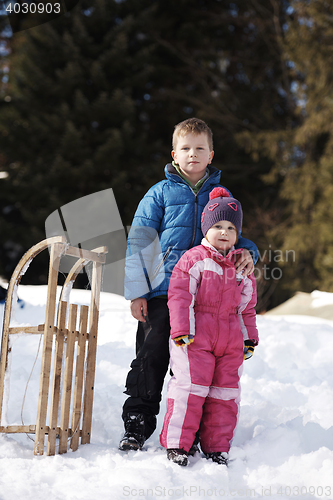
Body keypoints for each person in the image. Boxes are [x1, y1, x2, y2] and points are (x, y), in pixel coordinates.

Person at [119, 117, 258, 452]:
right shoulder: (159, 193)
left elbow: (233, 236)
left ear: (211, 155)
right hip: (163, 292)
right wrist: (138, 290)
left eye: (200, 148)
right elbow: (140, 240)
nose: (192, 154)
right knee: (151, 355)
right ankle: (138, 421)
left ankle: (191, 426)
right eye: (185, 148)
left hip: (208, 298)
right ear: (174, 154)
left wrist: (250, 252)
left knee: (196, 364)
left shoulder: (221, 196)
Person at [159, 187, 259, 467]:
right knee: (190, 389)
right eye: (218, 225)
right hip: (194, 338)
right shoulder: (195, 259)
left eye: (230, 227)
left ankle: (216, 446)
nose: (224, 232)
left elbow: (247, 308)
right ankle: (179, 443)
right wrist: (181, 330)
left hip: (229, 342)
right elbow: (180, 296)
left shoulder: (242, 266)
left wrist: (249, 339)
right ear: (206, 228)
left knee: (224, 394)